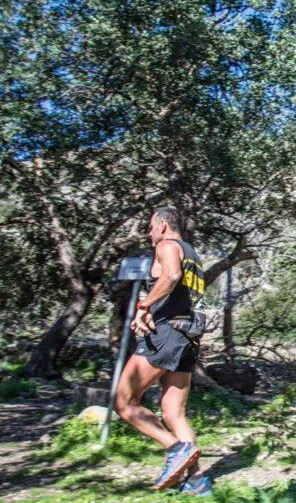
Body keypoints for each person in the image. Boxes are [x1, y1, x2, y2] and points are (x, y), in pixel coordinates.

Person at [114, 207, 213, 493]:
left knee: (125, 402)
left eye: (150, 228)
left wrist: (144, 306)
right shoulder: (192, 253)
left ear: (161, 226)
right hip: (187, 338)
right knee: (174, 413)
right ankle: (196, 482)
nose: (149, 234)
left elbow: (170, 276)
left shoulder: (167, 245)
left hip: (165, 334)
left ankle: (176, 448)